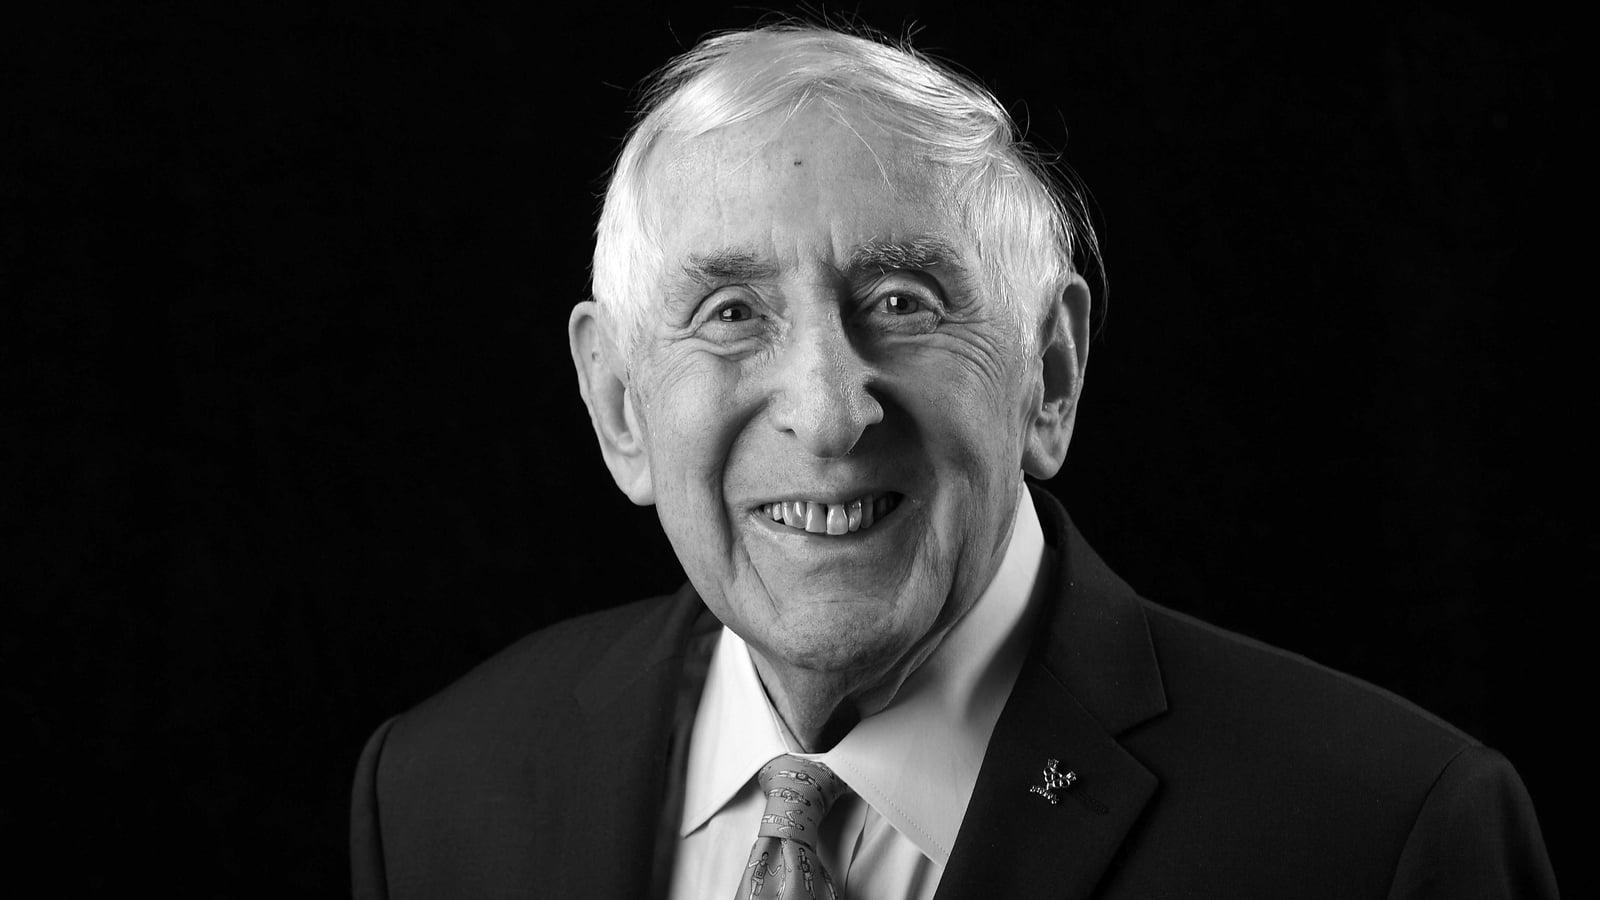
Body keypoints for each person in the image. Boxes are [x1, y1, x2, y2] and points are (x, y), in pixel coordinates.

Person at [350, 23, 1555, 899]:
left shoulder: (1383, 838)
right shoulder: (436, 795)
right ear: (620, 404)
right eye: (730, 313)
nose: (829, 413)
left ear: (1050, 373)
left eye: (902, 301)